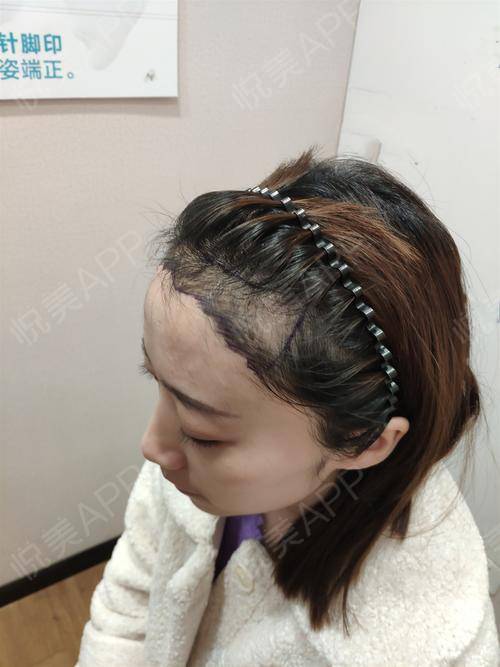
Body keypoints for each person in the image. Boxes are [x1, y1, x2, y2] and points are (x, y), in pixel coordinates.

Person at [75, 147, 500, 666]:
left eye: (203, 433)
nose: (152, 446)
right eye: (157, 382)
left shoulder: (434, 647)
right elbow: (126, 607)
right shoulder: (185, 470)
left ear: (363, 440)